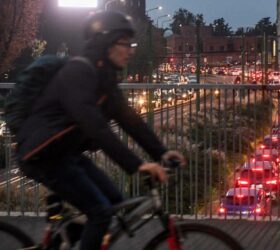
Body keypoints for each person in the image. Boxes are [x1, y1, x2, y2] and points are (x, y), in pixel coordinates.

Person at [17, 11, 185, 250]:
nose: (131, 50)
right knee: (100, 213)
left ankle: (63, 238)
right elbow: (96, 127)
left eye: (132, 43)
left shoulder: (103, 77)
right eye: (125, 43)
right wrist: (137, 165)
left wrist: (161, 153)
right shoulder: (79, 72)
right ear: (106, 42)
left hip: (66, 154)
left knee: (116, 202)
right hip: (43, 155)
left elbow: (130, 120)